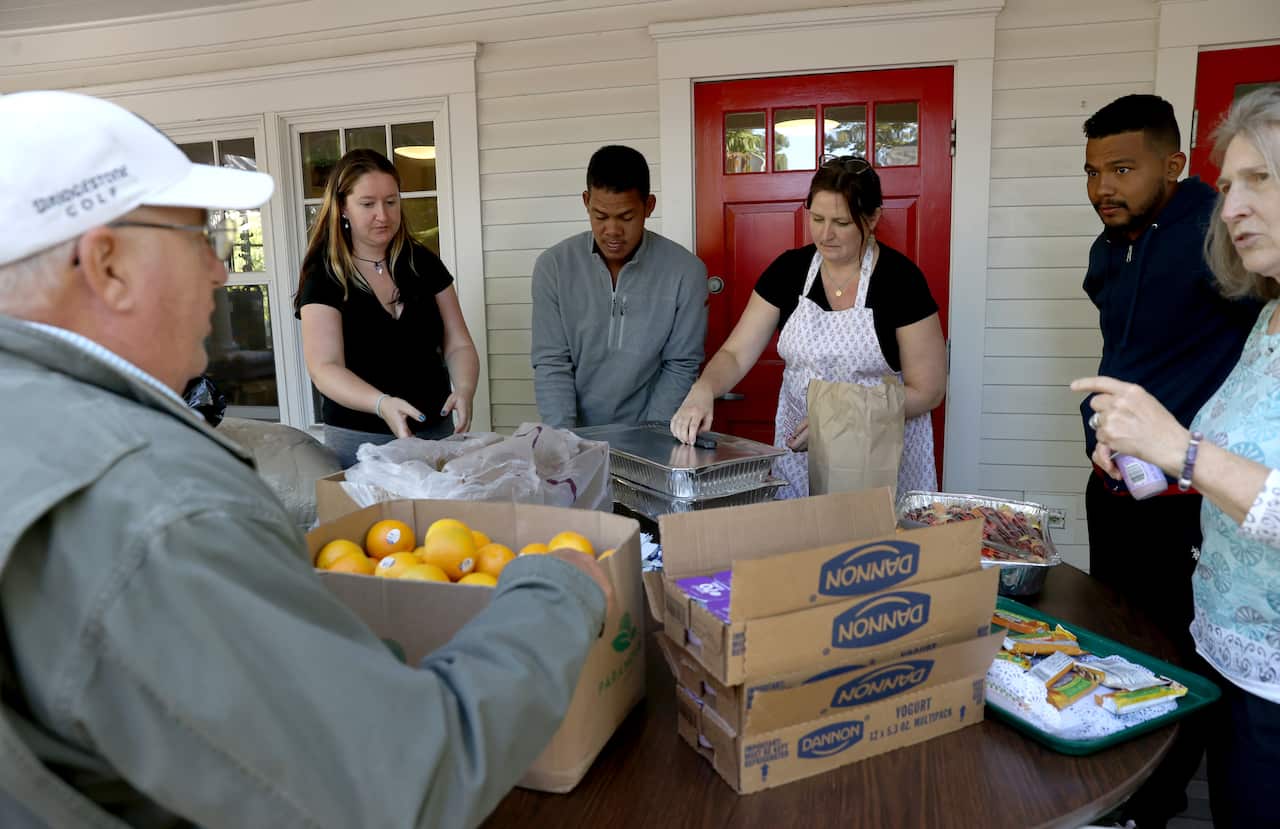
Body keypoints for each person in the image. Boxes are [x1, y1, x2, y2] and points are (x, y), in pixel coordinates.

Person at [0, 90, 613, 828]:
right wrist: (556, 589)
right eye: (199, 238)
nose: (223, 272)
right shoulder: (160, 506)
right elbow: (399, 780)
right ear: (107, 264)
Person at [1073, 86, 1280, 829]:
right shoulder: (1111, 246)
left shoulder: (1210, 238)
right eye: (1094, 172)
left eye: (1260, 181)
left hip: (1196, 509)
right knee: (1128, 647)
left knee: (1171, 659)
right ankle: (1126, 794)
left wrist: (1180, 450)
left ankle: (1149, 799)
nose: (1104, 188)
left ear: (1173, 163)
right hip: (1135, 507)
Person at [670, 155, 946, 498]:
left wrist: (839, 420)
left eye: (842, 223)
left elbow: (929, 390)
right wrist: (703, 389)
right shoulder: (789, 271)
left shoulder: (900, 282)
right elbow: (736, 353)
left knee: (872, 546)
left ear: (872, 218)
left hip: (879, 452)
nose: (825, 234)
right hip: (799, 450)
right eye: (817, 218)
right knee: (800, 542)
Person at [295, 148, 479, 468]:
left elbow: (458, 343)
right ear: (342, 208)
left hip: (436, 434)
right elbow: (324, 368)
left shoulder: (423, 263)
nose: (383, 215)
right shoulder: (324, 277)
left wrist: (464, 388)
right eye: (368, 204)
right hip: (360, 443)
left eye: (391, 201)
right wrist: (382, 404)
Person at [531, 144, 708, 427]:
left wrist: (650, 440)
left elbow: (680, 365)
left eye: (626, 217)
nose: (612, 230)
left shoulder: (686, 272)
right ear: (586, 201)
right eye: (600, 216)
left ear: (648, 206)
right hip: (574, 432)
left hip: (652, 431)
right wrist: (566, 441)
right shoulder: (553, 266)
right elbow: (552, 363)